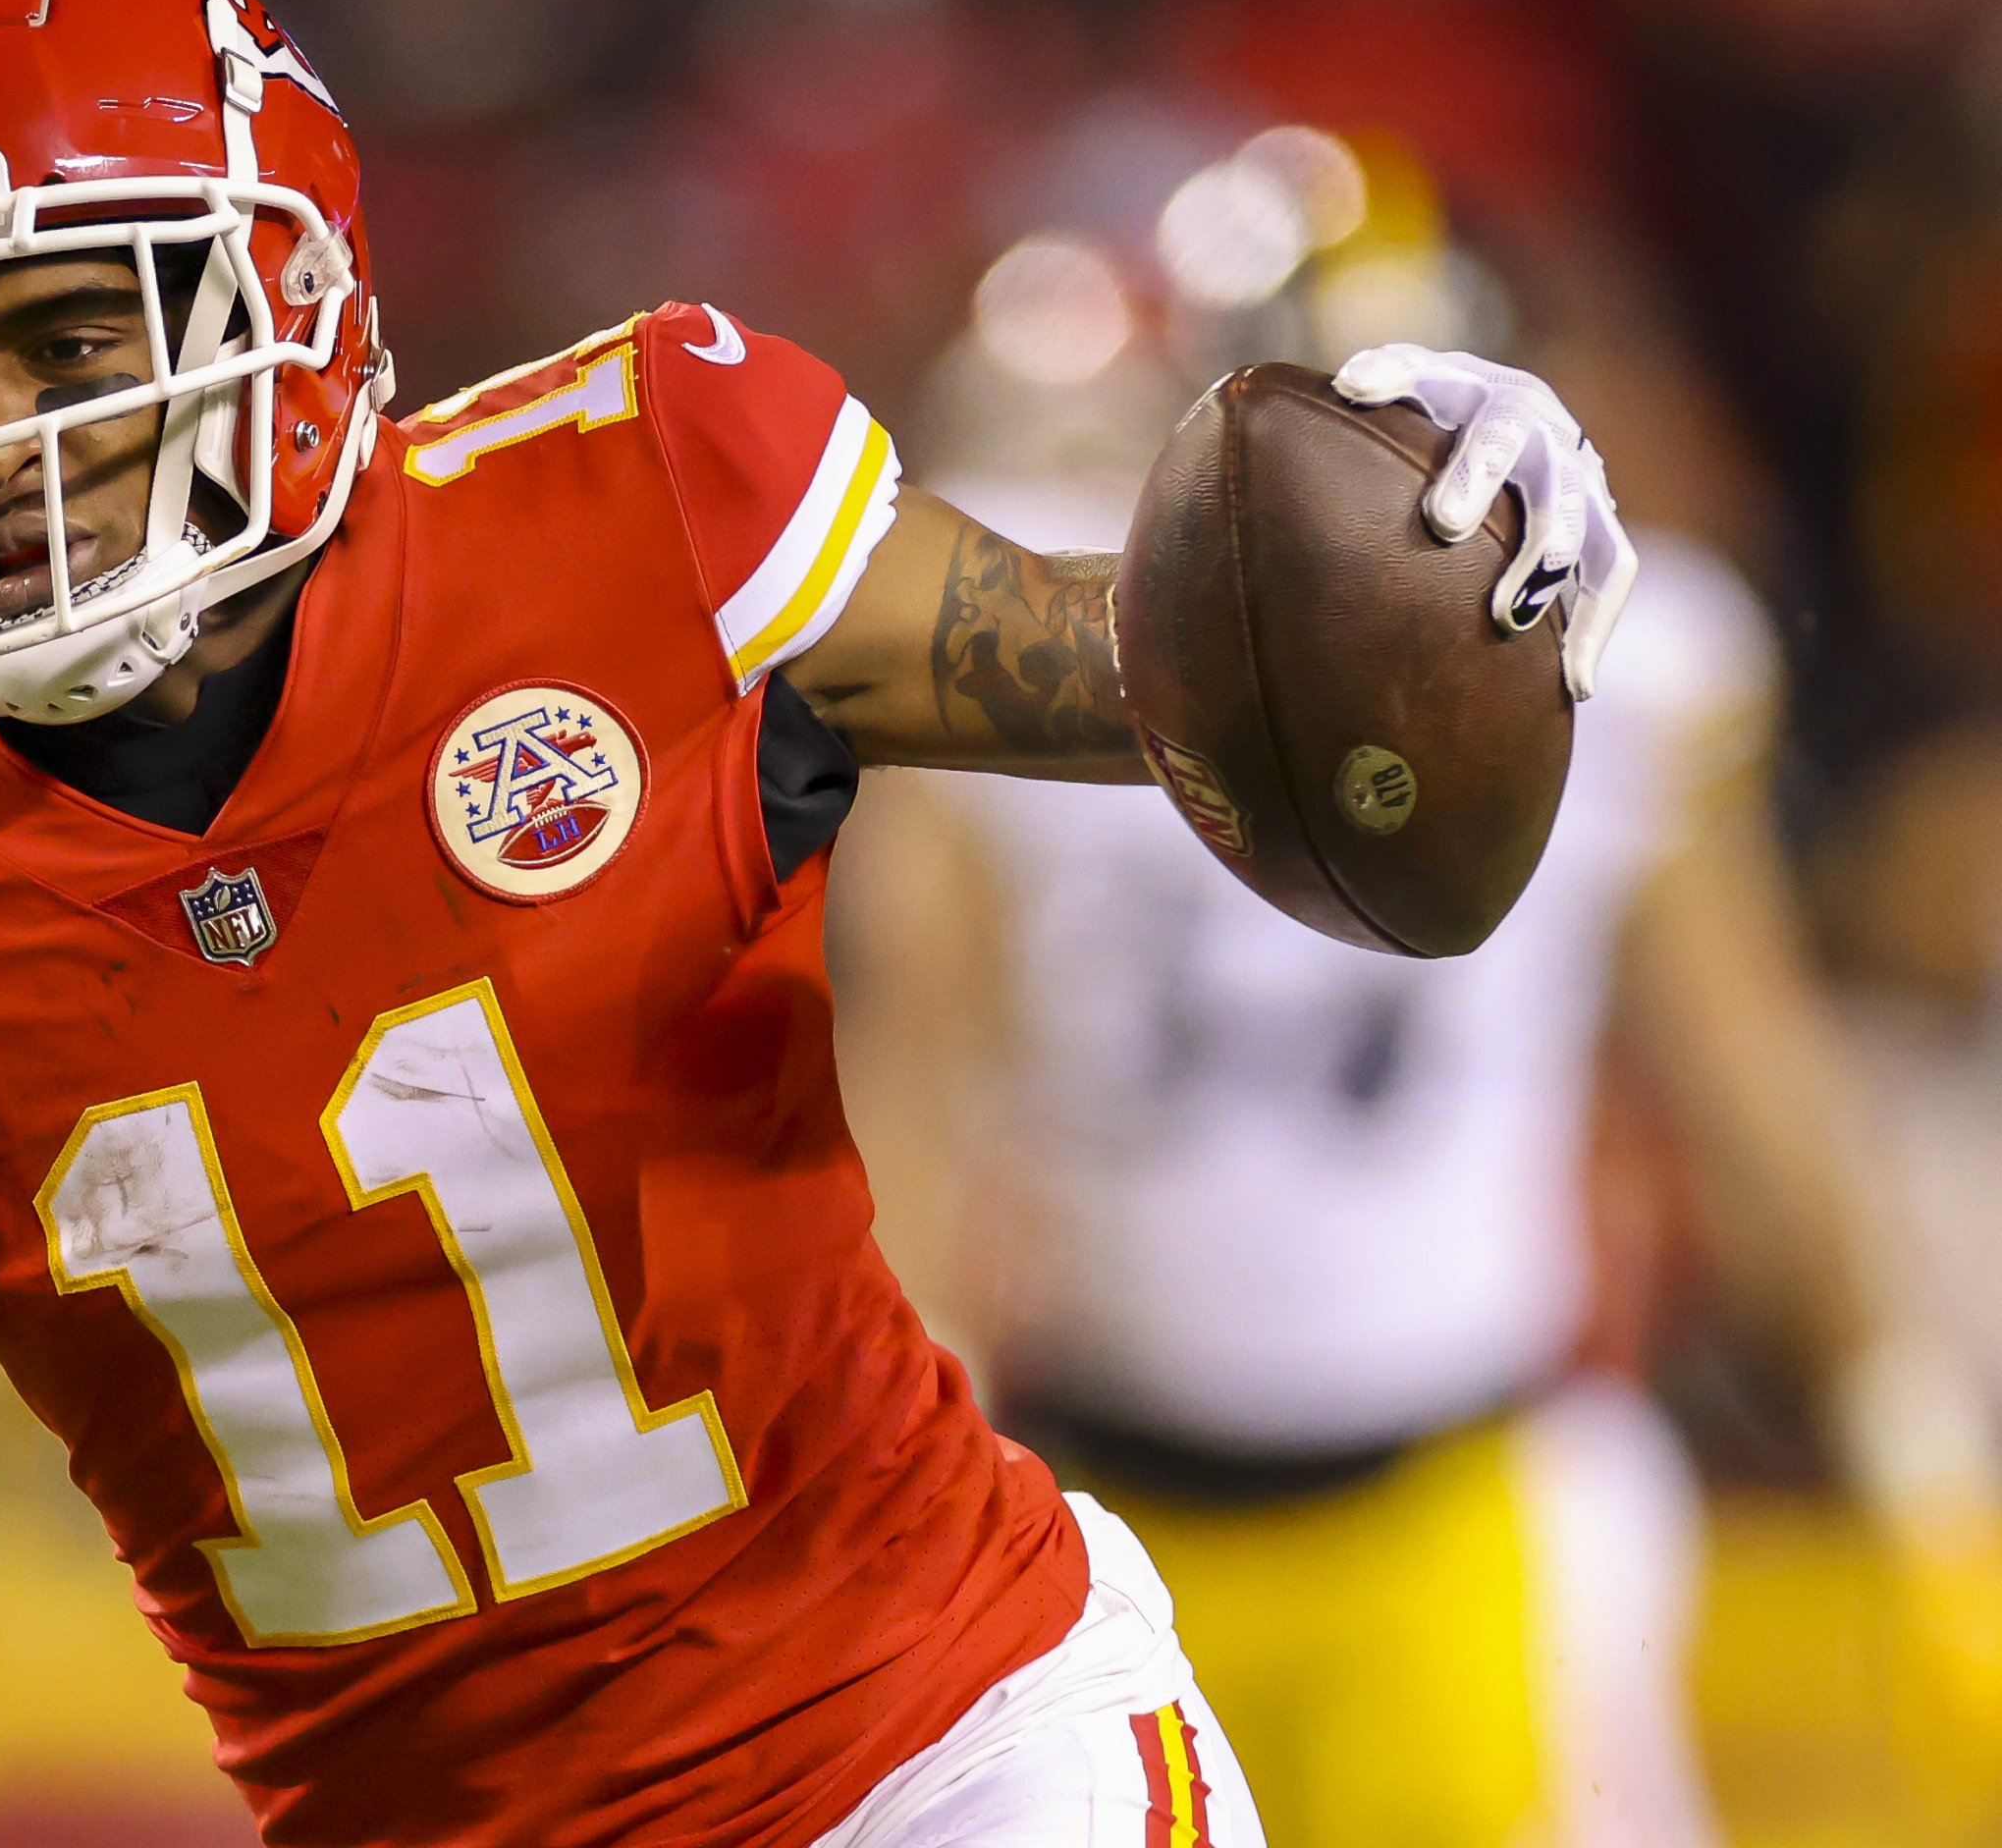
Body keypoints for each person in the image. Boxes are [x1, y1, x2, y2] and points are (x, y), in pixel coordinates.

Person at [0, 0, 1631, 1848]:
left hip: (933, 1746)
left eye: (68, 333)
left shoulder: (643, 505)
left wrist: (1439, 521)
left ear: (280, 305)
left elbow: (1199, 683)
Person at [839, 285, 1994, 1848]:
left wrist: (1898, 1413)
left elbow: (1749, 1072)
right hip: (1104, 1498)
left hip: (1471, 1500)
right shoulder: (1055, 652)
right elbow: (914, 1088)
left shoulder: (1616, 660)